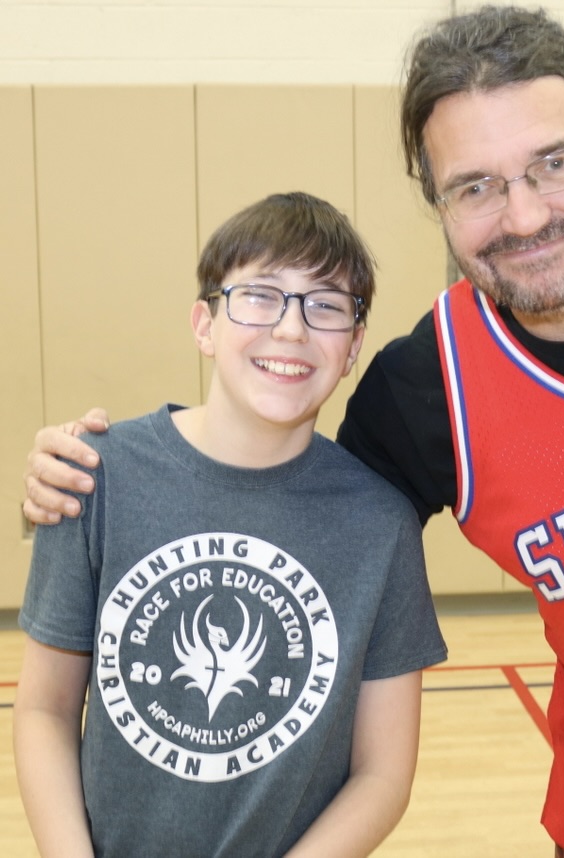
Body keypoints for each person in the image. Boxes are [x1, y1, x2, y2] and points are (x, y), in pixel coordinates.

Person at [19, 5, 564, 857]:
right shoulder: (425, 391)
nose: (524, 216)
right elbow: (282, 515)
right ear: (438, 203)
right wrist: (94, 475)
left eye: (554, 163)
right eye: (476, 187)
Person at [14, 191, 447, 858]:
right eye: (260, 295)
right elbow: (43, 709)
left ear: (355, 346)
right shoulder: (93, 477)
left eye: (326, 305)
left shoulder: (381, 524)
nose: (291, 330)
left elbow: (383, 775)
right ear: (204, 323)